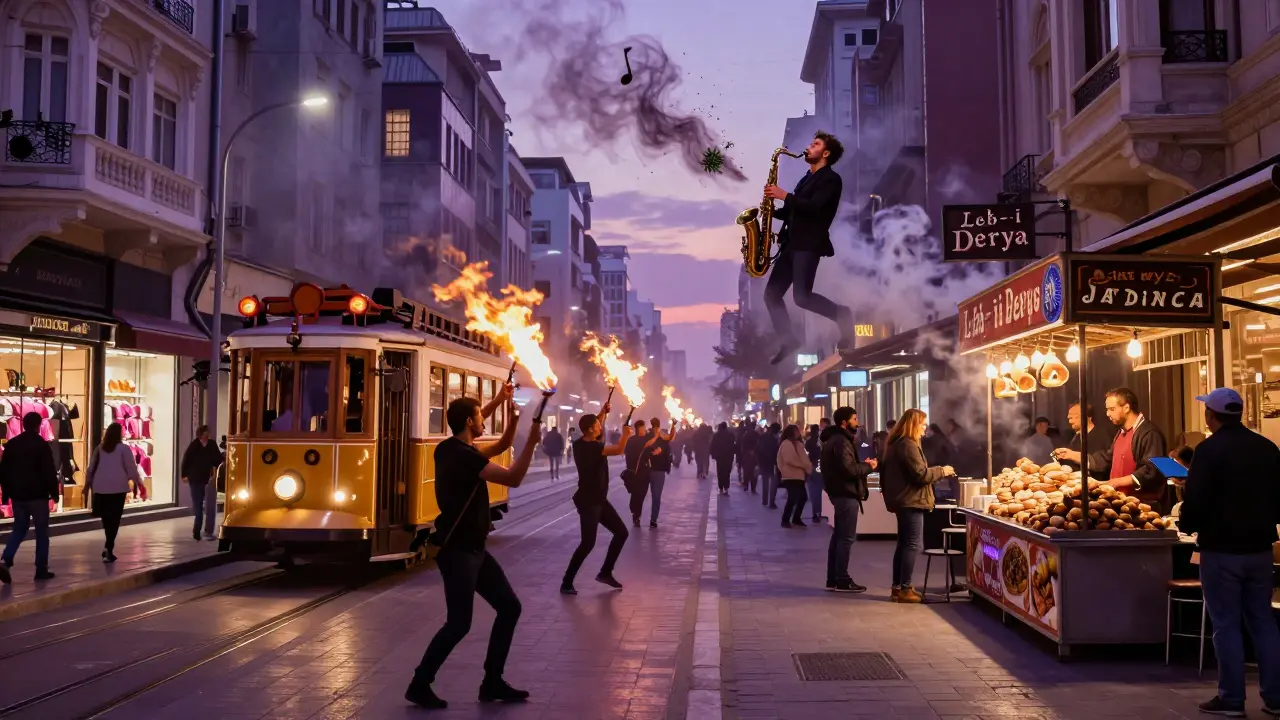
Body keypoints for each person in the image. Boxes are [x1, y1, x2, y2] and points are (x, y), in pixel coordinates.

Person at [406, 385, 536, 710]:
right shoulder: (465, 457)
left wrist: (506, 408)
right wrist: (530, 445)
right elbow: (514, 478)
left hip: (475, 550)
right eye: (480, 417)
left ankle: (492, 681)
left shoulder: (451, 448)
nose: (483, 421)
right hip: (459, 553)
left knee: (509, 606)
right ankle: (420, 684)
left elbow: (503, 442)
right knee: (459, 623)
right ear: (469, 422)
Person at [1179, 388, 1280, 717]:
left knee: (1226, 624)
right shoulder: (1267, 448)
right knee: (1263, 622)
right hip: (1260, 550)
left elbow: (1195, 501)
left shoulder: (1208, 451)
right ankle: (1275, 699)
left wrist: (1188, 523)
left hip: (1221, 551)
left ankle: (1232, 699)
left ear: (1211, 416)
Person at [762, 131, 855, 363]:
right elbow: (795, 210)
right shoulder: (806, 178)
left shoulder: (831, 179)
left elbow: (814, 207)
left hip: (809, 245)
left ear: (825, 153)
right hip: (791, 245)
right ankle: (788, 340)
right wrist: (770, 211)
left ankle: (842, 314)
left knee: (802, 298)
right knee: (771, 295)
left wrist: (784, 195)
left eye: (815, 144)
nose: (808, 147)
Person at [879, 409, 953, 603]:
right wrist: (942, 470)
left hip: (903, 500)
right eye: (922, 424)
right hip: (911, 500)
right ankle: (905, 588)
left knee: (903, 544)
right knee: (913, 544)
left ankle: (898, 587)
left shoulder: (897, 444)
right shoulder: (908, 445)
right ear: (913, 425)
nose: (925, 427)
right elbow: (921, 474)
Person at [562, 404, 633, 595]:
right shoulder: (594, 447)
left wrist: (602, 413)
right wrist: (626, 434)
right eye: (598, 425)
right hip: (589, 501)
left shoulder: (579, 443)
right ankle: (566, 582)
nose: (601, 427)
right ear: (591, 429)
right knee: (588, 543)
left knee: (621, 533)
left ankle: (605, 572)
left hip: (599, 499)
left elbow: (593, 427)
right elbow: (618, 450)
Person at [1077, 388, 1169, 511]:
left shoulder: (1150, 433)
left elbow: (1151, 471)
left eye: (1112, 409)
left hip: (1143, 507)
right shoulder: (1120, 433)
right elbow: (1107, 459)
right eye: (1107, 410)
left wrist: (1112, 483)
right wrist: (1073, 455)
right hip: (1121, 505)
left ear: (1126, 408)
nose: (1107, 414)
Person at [821, 407, 877, 593]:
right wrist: (869, 466)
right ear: (844, 422)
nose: (857, 421)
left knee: (839, 536)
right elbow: (849, 470)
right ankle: (842, 579)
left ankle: (833, 579)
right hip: (845, 494)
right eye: (854, 418)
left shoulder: (836, 440)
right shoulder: (841, 441)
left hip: (840, 493)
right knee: (845, 538)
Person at [0, 412, 59, 583]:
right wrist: (54, 493)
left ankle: (5, 560)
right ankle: (41, 569)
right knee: (42, 532)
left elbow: (3, 472)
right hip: (38, 496)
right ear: (38, 425)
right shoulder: (41, 445)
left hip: (18, 496)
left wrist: (5, 495)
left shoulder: (12, 444)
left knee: (19, 528)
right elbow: (49, 471)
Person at [85, 422, 143, 563]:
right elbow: (131, 469)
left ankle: (108, 546)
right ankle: (109, 547)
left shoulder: (100, 448)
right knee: (115, 519)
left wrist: (87, 484)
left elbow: (90, 467)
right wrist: (139, 484)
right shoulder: (123, 449)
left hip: (101, 488)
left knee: (106, 519)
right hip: (118, 488)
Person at [181, 425, 225, 541]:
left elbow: (217, 459)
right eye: (204, 435)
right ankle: (196, 532)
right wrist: (184, 475)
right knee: (198, 505)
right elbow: (186, 460)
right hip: (195, 478)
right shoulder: (194, 445)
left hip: (207, 478)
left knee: (206, 504)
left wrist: (224, 461)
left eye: (207, 434)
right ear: (200, 435)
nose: (206, 437)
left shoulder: (211, 445)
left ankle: (203, 530)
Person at [1053, 403, 1111, 481]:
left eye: (1075, 416)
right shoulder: (1076, 437)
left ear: (1088, 417)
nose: (1070, 420)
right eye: (1069, 417)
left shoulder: (1102, 436)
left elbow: (1102, 466)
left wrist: (1072, 455)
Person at [624, 420, 661, 527]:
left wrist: (657, 450)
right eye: (643, 427)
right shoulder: (633, 440)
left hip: (644, 472)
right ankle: (635, 512)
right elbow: (627, 454)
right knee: (637, 494)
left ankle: (636, 514)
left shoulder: (643, 439)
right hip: (635, 472)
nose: (645, 429)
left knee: (641, 494)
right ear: (639, 428)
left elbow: (653, 444)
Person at [776, 425, 813, 528]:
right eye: (796, 431)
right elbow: (790, 459)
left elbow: (804, 458)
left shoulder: (799, 444)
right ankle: (785, 519)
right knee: (792, 498)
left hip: (799, 475)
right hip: (790, 476)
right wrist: (804, 466)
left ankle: (796, 518)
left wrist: (807, 467)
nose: (798, 433)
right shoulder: (786, 444)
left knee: (803, 497)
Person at [645, 418, 676, 528]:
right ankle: (648, 518)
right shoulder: (650, 437)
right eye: (655, 426)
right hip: (649, 471)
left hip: (657, 471)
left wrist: (673, 425)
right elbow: (646, 446)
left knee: (655, 496)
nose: (656, 428)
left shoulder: (663, 438)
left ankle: (652, 519)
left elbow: (671, 437)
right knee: (653, 496)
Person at [757, 423, 781, 508]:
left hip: (764, 463)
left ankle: (765, 500)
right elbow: (776, 452)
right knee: (773, 483)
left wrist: (759, 462)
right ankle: (771, 502)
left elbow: (759, 449)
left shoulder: (763, 437)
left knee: (765, 482)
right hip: (773, 463)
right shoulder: (775, 439)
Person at [804, 423, 826, 523]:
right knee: (822, 491)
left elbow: (806, 455)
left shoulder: (808, 442)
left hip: (812, 467)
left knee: (814, 493)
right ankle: (821, 512)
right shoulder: (821, 442)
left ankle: (815, 514)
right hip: (821, 467)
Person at [711, 423, 737, 495]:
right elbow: (734, 444)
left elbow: (713, 445)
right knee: (727, 473)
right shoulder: (730, 435)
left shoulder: (716, 435)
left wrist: (713, 455)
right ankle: (726, 488)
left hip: (720, 457)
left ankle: (721, 487)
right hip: (729, 456)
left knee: (720, 472)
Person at [738, 423, 759, 493]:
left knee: (746, 472)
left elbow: (742, 447)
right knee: (754, 473)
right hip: (755, 456)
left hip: (746, 456)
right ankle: (753, 488)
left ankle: (746, 485)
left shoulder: (745, 435)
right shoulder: (757, 434)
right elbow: (759, 445)